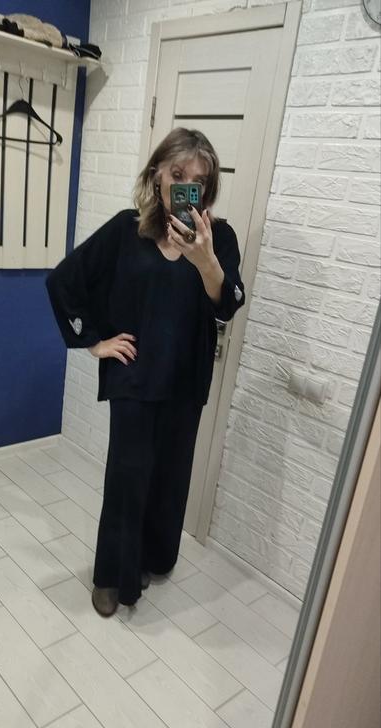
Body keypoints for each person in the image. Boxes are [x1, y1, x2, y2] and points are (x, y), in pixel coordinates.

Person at [46, 127, 245, 617]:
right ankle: (112, 577)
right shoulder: (126, 230)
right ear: (158, 175)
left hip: (185, 381)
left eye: (198, 181)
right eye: (177, 174)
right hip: (134, 378)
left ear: (208, 189)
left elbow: (228, 305)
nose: (186, 187)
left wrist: (206, 262)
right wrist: (94, 342)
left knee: (170, 478)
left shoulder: (219, 239)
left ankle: (156, 558)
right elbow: (65, 279)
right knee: (127, 479)